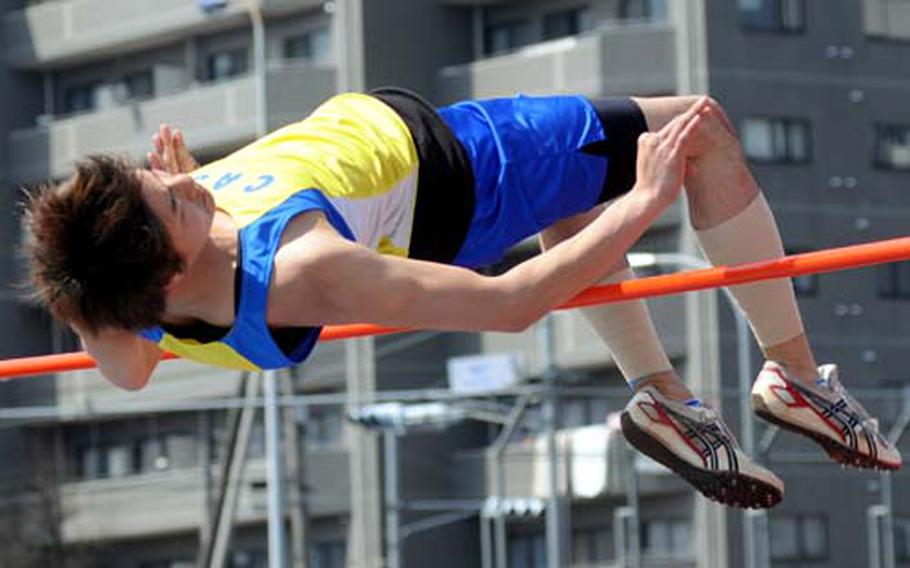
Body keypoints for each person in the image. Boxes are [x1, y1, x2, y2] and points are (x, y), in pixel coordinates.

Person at [23, 88, 900, 509]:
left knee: (575, 189)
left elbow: (125, 367)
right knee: (698, 132)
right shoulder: (302, 267)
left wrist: (152, 215)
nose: (181, 184)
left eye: (157, 181)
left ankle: (668, 402)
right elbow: (513, 302)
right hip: (460, 170)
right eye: (173, 202)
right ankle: (793, 377)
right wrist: (645, 202)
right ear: (171, 272)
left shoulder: (128, 308)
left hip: (415, 155)